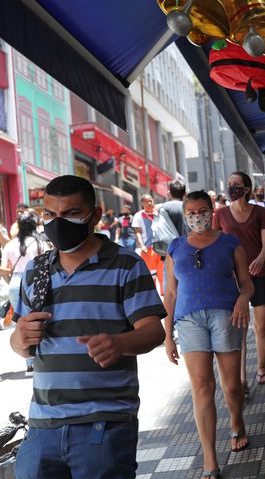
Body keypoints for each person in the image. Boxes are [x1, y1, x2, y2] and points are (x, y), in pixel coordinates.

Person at [10, 175, 166, 478]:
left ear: (95, 215)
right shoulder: (36, 270)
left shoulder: (126, 264)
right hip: (43, 425)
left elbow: (154, 331)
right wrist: (19, 337)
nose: (58, 222)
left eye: (71, 213)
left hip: (103, 425)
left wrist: (120, 343)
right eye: (50, 214)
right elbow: (20, 343)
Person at [164, 191, 254, 478]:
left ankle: (236, 422)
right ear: (185, 214)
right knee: (202, 387)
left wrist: (242, 299)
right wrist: (167, 336)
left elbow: (246, 284)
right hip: (188, 321)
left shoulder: (229, 242)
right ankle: (210, 460)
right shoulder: (175, 247)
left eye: (201, 210)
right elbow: (170, 293)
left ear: (212, 210)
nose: (196, 216)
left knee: (231, 386)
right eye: (190, 212)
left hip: (226, 316)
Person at [213, 172, 265, 388]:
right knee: (238, 329)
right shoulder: (220, 214)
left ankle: (262, 368)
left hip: (260, 274)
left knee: (261, 325)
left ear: (247, 188)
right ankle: (241, 379)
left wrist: (260, 258)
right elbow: (215, 245)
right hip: (233, 279)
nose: (232, 188)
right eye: (229, 184)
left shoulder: (260, 212)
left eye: (236, 184)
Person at [1, 212, 46, 373]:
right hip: (35, 282)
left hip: (14, 283)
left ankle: (29, 364)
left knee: (23, 323)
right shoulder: (39, 243)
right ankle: (36, 359)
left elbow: (4, 268)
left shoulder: (10, 245)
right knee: (36, 321)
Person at [133, 194, 163, 292]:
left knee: (162, 273)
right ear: (142, 203)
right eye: (147, 201)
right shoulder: (138, 216)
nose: (150, 203)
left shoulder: (159, 213)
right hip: (148, 249)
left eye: (151, 200)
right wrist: (141, 245)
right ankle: (154, 296)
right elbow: (137, 231)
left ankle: (164, 295)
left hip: (161, 247)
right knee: (151, 274)